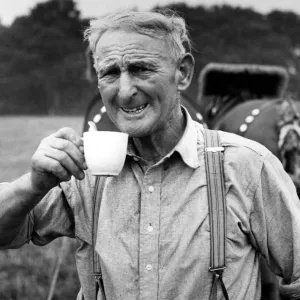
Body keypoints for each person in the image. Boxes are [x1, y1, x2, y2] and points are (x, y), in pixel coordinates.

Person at [0, 10, 300, 300]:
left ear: (182, 73)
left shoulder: (246, 165)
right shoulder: (84, 168)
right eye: (110, 72)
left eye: (141, 68)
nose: (125, 90)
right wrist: (33, 185)